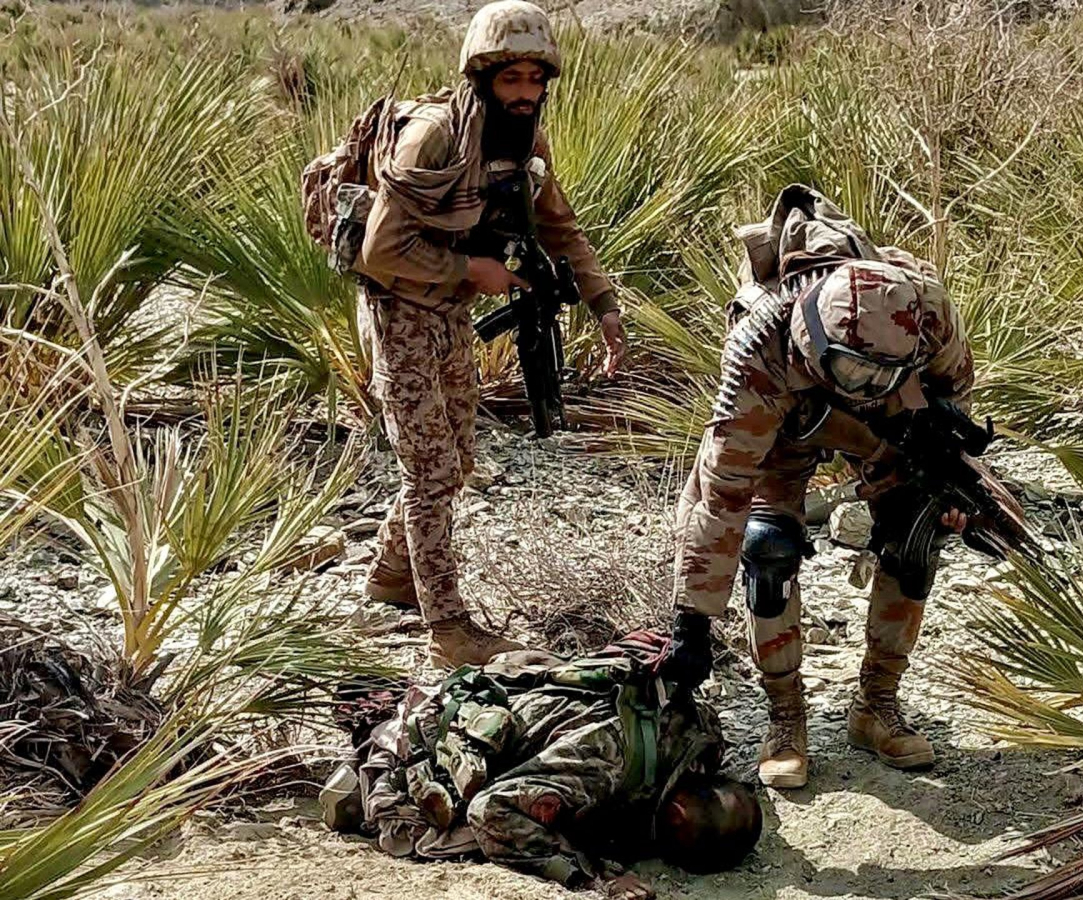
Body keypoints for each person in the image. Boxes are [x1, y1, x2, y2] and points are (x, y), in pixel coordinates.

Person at [654, 184, 975, 788]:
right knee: (766, 547)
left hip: (892, 420)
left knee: (917, 533)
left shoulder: (924, 313)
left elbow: (953, 398)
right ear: (813, 339)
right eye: (852, 371)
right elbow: (722, 494)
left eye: (875, 374)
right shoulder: (760, 350)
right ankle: (785, 719)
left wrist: (943, 483)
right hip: (788, 418)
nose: (861, 385)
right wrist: (691, 623)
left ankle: (877, 705)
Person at [351, 1, 626, 668]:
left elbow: (560, 226)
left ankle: (392, 575)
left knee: (458, 459)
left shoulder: (523, 141)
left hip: (449, 310)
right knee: (430, 471)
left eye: (536, 79)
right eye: (511, 79)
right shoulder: (433, 138)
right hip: (397, 309)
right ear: (482, 77)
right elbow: (378, 251)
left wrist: (604, 306)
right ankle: (448, 631)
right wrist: (471, 270)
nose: (526, 92)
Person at [320, 634, 762, 900]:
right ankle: (372, 734)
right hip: (464, 723)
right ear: (677, 813)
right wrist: (590, 874)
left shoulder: (703, 733)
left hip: (525, 695)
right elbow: (490, 809)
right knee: (435, 822)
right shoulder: (602, 770)